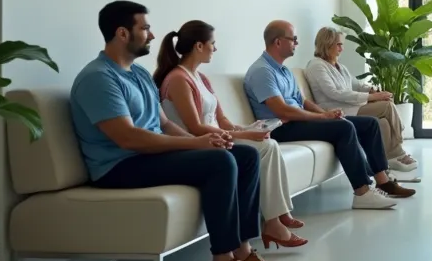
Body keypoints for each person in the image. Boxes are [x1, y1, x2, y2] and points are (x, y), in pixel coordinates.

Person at [71, 1, 283, 261]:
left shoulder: (140, 74)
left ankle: (242, 251)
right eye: (144, 28)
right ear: (122, 33)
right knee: (220, 163)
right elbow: (129, 139)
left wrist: (201, 143)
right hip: (120, 166)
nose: (152, 34)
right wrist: (195, 143)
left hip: (151, 155)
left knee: (244, 155)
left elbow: (165, 124)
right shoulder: (98, 78)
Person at [155, 20, 307, 249]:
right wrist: (243, 136)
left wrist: (249, 129)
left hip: (218, 136)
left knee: (269, 143)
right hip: (199, 143)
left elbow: (222, 120)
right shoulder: (178, 79)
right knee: (265, 148)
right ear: (198, 46)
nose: (215, 49)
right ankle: (274, 221)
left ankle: (277, 218)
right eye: (212, 44)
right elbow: (195, 128)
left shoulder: (201, 78)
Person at [244, 20, 415, 209]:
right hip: (281, 127)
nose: (296, 43)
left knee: (369, 124)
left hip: (297, 120)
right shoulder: (263, 71)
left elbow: (302, 101)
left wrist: (326, 113)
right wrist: (320, 117)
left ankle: (383, 181)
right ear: (277, 42)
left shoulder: (284, 70)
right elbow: (281, 110)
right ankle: (362, 192)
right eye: (293, 39)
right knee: (344, 127)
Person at [304, 27, 418, 174]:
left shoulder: (339, 66)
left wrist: (372, 90)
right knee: (387, 106)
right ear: (327, 44)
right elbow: (334, 93)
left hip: (351, 106)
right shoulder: (316, 66)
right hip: (336, 110)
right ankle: (399, 152)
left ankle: (388, 159)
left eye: (342, 44)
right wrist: (372, 97)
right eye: (338, 44)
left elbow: (356, 84)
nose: (342, 49)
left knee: (382, 122)